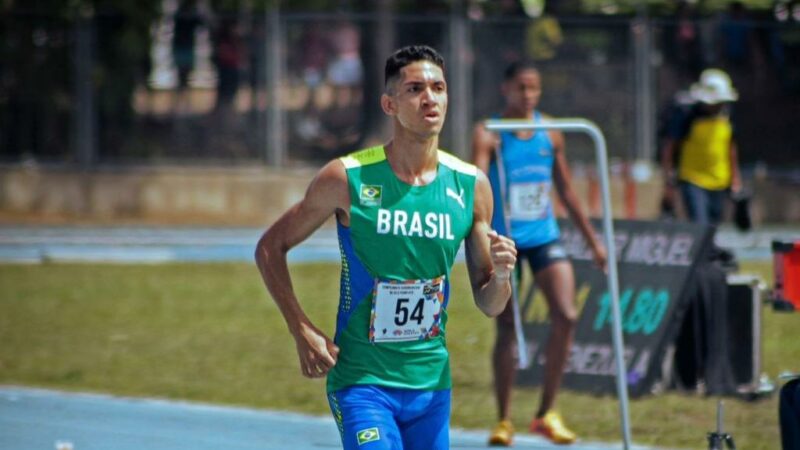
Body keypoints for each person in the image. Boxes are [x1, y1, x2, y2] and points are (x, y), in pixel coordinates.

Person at [255, 45, 518, 450]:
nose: (429, 97)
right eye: (414, 89)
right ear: (389, 103)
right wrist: (301, 328)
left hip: (431, 386)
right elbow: (270, 247)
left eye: (438, 87)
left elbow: (490, 303)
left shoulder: (471, 186)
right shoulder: (347, 178)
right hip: (363, 383)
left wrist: (501, 276)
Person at [472, 60, 607, 446]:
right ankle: (504, 419)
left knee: (566, 314)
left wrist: (594, 241)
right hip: (506, 240)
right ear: (506, 89)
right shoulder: (488, 132)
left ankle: (547, 411)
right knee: (508, 326)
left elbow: (565, 190)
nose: (528, 95)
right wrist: (480, 237)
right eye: (521, 88)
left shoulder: (551, 132)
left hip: (544, 235)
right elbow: (476, 185)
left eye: (534, 89)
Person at [660, 68, 742, 226]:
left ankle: (710, 250)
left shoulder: (727, 116)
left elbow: (731, 147)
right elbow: (670, 147)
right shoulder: (687, 116)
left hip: (720, 181)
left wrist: (735, 179)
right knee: (700, 224)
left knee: (713, 226)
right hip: (693, 179)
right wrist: (668, 182)